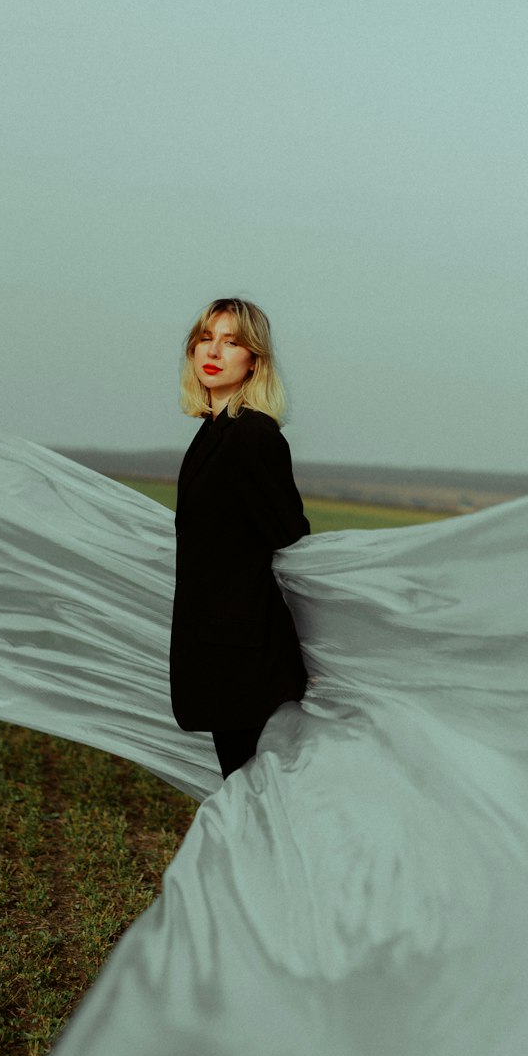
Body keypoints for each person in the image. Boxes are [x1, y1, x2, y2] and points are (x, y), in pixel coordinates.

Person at [170, 297, 310, 779]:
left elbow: (292, 539)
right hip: (218, 652)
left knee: (254, 792)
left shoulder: (254, 436)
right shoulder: (213, 432)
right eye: (206, 338)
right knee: (244, 791)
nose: (215, 350)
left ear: (254, 360)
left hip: (247, 659)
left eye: (232, 342)